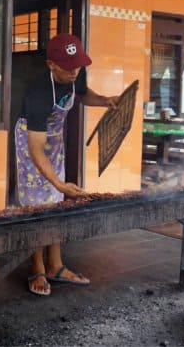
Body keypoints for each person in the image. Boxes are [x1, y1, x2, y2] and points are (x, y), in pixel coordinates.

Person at [15, 33, 119, 296]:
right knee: (37, 205)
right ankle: (37, 266)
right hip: (31, 144)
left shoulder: (76, 74)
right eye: (68, 66)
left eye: (78, 65)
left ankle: (56, 265)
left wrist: (105, 100)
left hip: (55, 139)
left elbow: (83, 94)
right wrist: (59, 182)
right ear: (51, 64)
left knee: (56, 201)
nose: (75, 71)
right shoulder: (38, 94)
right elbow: (36, 149)